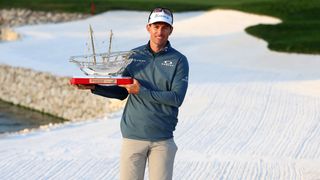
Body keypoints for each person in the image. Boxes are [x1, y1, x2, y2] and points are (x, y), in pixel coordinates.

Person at [77, 7, 189, 180]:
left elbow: (176, 98)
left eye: (165, 27)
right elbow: (122, 92)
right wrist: (94, 87)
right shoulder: (134, 55)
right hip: (133, 136)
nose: (160, 31)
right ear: (148, 28)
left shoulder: (179, 60)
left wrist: (141, 91)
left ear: (171, 30)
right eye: (156, 26)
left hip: (162, 139)